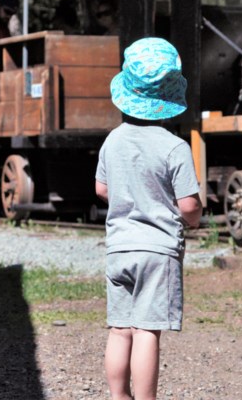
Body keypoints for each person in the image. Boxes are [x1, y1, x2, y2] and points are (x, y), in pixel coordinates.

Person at [94, 37, 203, 400]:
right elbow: (188, 206)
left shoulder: (112, 141)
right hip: (157, 253)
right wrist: (195, 218)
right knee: (146, 332)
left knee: (119, 330)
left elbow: (102, 189)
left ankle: (117, 396)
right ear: (169, 100)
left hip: (119, 249)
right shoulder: (175, 147)